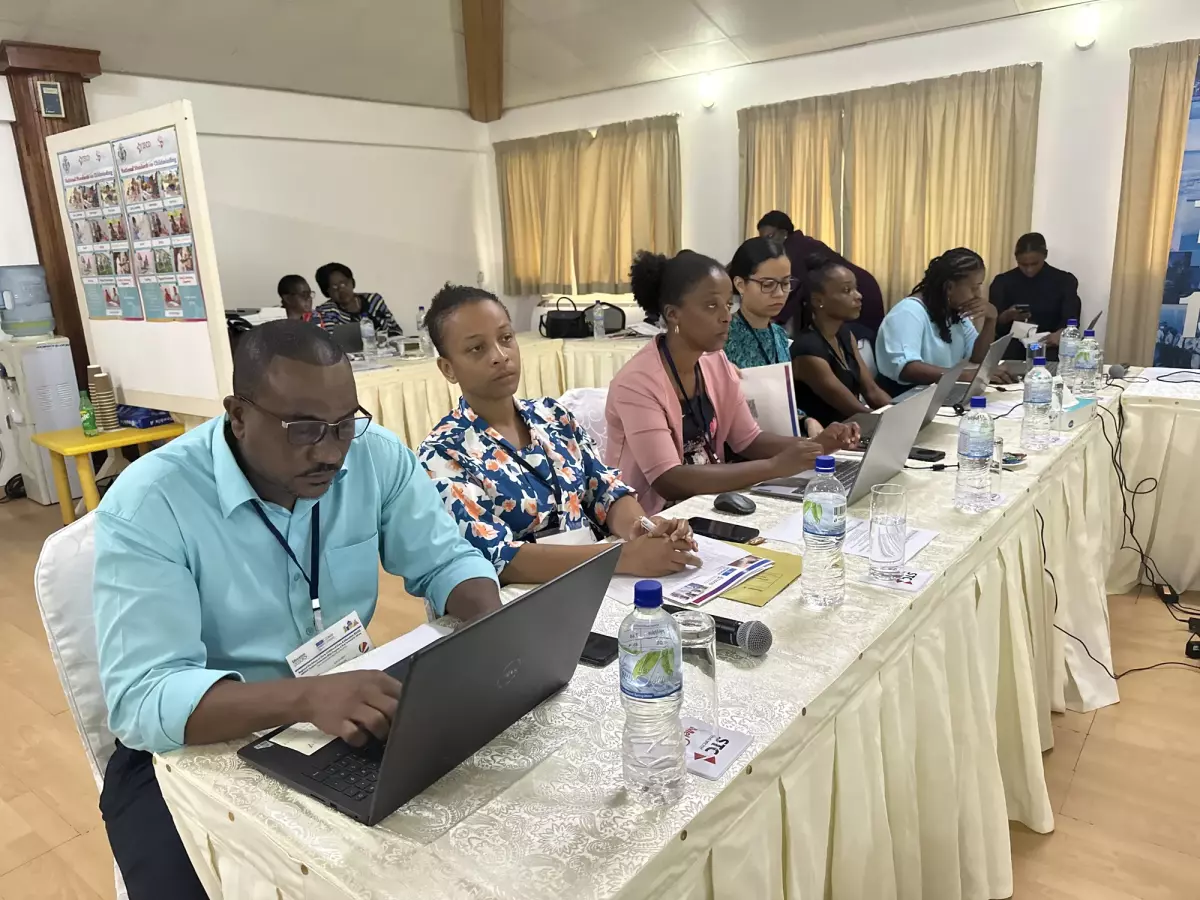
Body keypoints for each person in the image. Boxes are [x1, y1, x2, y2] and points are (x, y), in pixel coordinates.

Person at [93, 320, 500, 897]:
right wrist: (306, 697)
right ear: (238, 415)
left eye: (344, 425)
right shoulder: (152, 503)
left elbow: (446, 560)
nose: (329, 452)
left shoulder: (374, 457)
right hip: (192, 750)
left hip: (335, 712)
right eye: (303, 429)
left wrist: (494, 629)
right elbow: (142, 698)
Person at [419, 284, 699, 585]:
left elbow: (604, 488)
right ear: (448, 369)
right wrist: (624, 557)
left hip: (600, 578)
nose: (500, 356)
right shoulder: (443, 453)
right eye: (477, 348)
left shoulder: (552, 415)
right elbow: (497, 557)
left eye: (506, 338)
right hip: (528, 597)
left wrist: (641, 528)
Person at [605, 249, 857, 515]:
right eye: (711, 306)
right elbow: (669, 480)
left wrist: (818, 446)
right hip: (651, 520)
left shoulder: (715, 362)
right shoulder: (637, 383)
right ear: (673, 314)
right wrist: (774, 467)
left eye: (728, 304)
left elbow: (749, 440)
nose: (726, 316)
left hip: (708, 503)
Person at [875, 247, 1016, 393]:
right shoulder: (908, 312)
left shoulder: (953, 311)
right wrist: (965, 375)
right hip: (906, 396)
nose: (978, 295)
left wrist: (991, 319)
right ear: (949, 287)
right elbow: (907, 369)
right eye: (974, 288)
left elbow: (978, 358)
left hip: (939, 392)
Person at [724, 237, 822, 437]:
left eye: (785, 283)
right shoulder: (722, 336)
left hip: (783, 441)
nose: (779, 293)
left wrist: (806, 421)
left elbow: (781, 402)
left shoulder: (779, 334)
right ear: (740, 284)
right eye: (768, 284)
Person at [791, 255, 893, 423]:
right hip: (824, 434)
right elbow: (852, 409)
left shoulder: (845, 334)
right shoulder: (808, 352)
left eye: (856, 289)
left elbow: (872, 391)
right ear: (818, 300)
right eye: (847, 290)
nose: (858, 296)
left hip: (850, 428)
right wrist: (895, 421)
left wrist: (901, 411)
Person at [755, 210, 886, 335]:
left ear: (784, 233)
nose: (766, 243)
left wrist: (775, 318)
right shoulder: (803, 243)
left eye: (769, 237)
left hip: (854, 294)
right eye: (763, 240)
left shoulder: (793, 250)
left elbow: (794, 289)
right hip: (858, 290)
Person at [988, 232, 1082, 360]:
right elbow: (992, 325)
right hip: (1013, 347)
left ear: (1045, 255)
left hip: (1049, 346)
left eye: (1034, 264)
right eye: (1023, 264)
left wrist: (1061, 334)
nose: (1029, 269)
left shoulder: (1064, 281)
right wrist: (1007, 316)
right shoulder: (1003, 282)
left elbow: (1071, 318)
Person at [313, 262, 402, 336]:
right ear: (327, 292)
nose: (341, 290)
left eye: (344, 283)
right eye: (334, 287)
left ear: (352, 282)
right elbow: (332, 342)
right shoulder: (326, 312)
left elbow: (396, 330)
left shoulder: (374, 301)